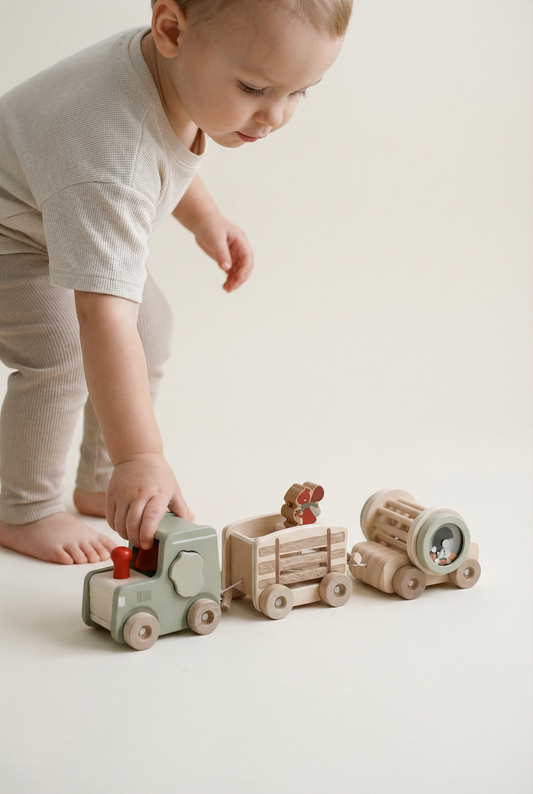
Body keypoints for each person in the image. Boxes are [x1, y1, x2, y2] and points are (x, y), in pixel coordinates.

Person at [0, 0, 352, 564]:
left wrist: (207, 220)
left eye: (299, 92)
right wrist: (143, 456)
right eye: (255, 88)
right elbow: (101, 315)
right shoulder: (112, 157)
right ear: (171, 30)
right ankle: (26, 509)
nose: (276, 116)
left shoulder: (172, 70)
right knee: (62, 345)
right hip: (9, 238)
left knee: (152, 326)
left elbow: (164, 148)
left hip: (51, 213)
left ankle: (99, 479)